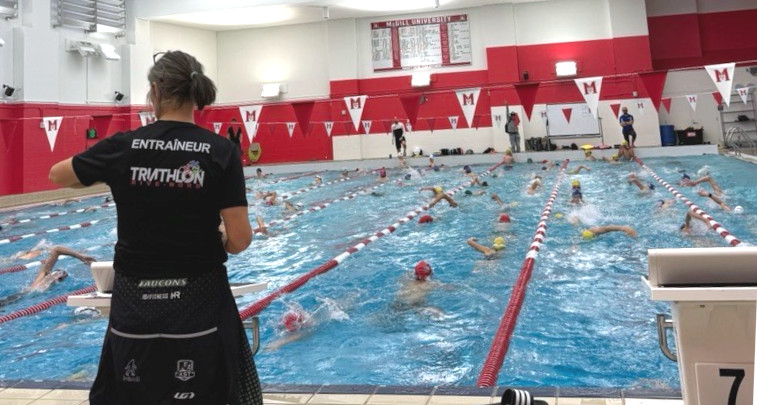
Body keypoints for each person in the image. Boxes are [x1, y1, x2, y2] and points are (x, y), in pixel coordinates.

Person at [48, 50, 261, 405]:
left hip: (135, 307)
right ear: (196, 92)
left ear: (155, 91)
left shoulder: (123, 146)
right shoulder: (220, 151)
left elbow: (57, 174)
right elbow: (239, 240)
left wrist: (109, 171)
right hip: (201, 304)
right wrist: (220, 238)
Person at [0, 246, 95, 308]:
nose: (54, 276)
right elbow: (57, 250)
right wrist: (80, 256)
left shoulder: (39, 286)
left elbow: (57, 250)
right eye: (57, 274)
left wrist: (80, 257)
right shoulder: (37, 286)